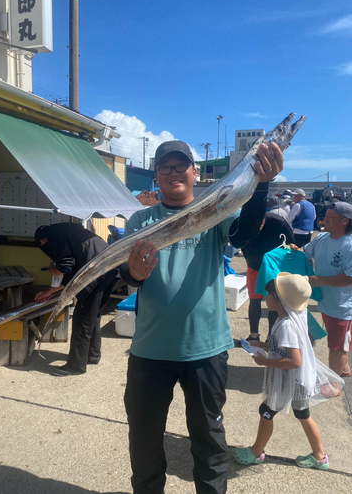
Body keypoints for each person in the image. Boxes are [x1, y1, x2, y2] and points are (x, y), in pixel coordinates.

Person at [119, 139, 284, 494]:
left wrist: (261, 185)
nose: (174, 172)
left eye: (182, 166)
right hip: (150, 350)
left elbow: (244, 232)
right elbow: (127, 276)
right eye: (166, 167)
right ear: (156, 177)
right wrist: (133, 273)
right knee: (144, 441)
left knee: (209, 440)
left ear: (195, 172)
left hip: (206, 349)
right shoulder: (141, 220)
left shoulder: (216, 210)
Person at [234, 273, 343, 470]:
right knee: (302, 414)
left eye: (268, 295)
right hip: (295, 381)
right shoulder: (290, 318)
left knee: (266, 411)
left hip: (287, 381)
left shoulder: (286, 325)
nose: (266, 298)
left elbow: (294, 360)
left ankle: (255, 452)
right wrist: (261, 345)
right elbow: (279, 347)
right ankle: (320, 457)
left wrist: (265, 361)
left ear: (279, 299)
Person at [34, 223, 118, 376]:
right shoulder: (68, 230)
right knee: (94, 316)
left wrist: (53, 270)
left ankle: (76, 366)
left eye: (40, 244)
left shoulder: (53, 237)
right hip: (110, 267)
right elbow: (71, 271)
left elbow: (65, 267)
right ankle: (92, 355)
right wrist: (50, 291)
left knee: (82, 319)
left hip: (94, 272)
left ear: (42, 240)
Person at [295, 202, 352, 377]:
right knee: (339, 343)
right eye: (325, 215)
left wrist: (321, 280)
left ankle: (333, 385)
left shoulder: (349, 245)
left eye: (330, 217)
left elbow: (350, 278)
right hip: (327, 303)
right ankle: (344, 369)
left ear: (344, 221)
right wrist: (293, 250)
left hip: (343, 307)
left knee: (336, 347)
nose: (324, 219)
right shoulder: (322, 238)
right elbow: (305, 252)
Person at [232, 212, 295, 342]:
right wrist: (247, 258)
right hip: (254, 267)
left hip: (273, 270)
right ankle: (254, 336)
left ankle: (271, 336)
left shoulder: (279, 223)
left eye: (259, 225)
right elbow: (239, 242)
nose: (256, 229)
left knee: (273, 302)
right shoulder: (243, 222)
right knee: (254, 301)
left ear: (263, 221)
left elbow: (292, 243)